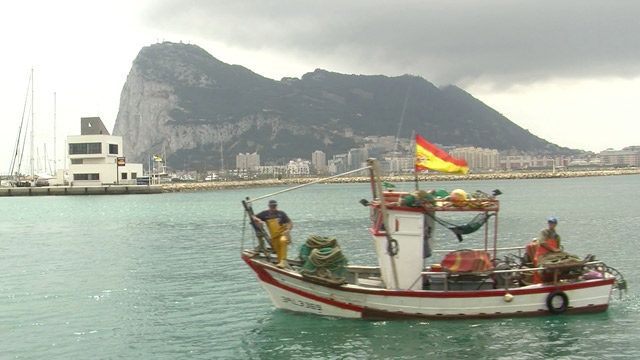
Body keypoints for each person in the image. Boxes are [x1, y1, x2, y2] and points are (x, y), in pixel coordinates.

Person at [252, 199, 293, 268]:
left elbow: (290, 223)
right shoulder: (265, 214)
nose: (273, 207)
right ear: (269, 205)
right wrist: (258, 220)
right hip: (274, 237)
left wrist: (288, 230)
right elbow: (253, 216)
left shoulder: (281, 213)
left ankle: (284, 261)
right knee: (278, 252)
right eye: (272, 205)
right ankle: (282, 265)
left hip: (283, 234)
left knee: (283, 241)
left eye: (274, 205)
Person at [533, 217, 562, 283]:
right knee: (539, 271)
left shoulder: (557, 236)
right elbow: (542, 242)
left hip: (551, 256)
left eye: (553, 223)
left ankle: (552, 281)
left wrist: (557, 252)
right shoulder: (543, 232)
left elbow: (557, 247)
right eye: (550, 222)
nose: (551, 224)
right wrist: (553, 249)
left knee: (552, 270)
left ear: (556, 224)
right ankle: (538, 284)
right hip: (541, 256)